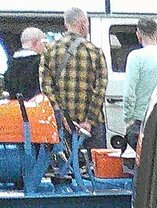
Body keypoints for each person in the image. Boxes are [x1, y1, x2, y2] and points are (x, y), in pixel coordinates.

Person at [40, 6, 108, 150]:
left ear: (66, 24)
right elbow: (100, 89)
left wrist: (62, 116)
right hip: (92, 126)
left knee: (64, 163)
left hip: (62, 125)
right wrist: (89, 121)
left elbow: (45, 87)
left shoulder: (50, 50)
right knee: (95, 162)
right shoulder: (95, 51)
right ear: (83, 23)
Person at [122, 18, 157, 149]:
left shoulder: (135, 57)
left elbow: (129, 92)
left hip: (141, 122)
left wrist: (128, 119)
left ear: (138, 35)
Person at [3, 28, 45, 98]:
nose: (44, 45)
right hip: (37, 103)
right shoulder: (41, 62)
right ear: (35, 43)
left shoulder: (11, 63)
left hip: (15, 104)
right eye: (43, 42)